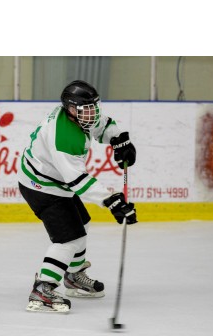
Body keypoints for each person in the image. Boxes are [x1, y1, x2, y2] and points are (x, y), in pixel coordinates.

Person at [18, 80, 137, 313]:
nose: (92, 113)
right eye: (86, 109)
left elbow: (101, 125)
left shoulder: (79, 117)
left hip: (56, 183)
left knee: (82, 222)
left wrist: (120, 139)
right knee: (68, 239)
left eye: (94, 107)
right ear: (70, 109)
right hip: (41, 187)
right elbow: (78, 180)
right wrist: (111, 201)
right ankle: (43, 288)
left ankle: (73, 275)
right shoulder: (64, 137)